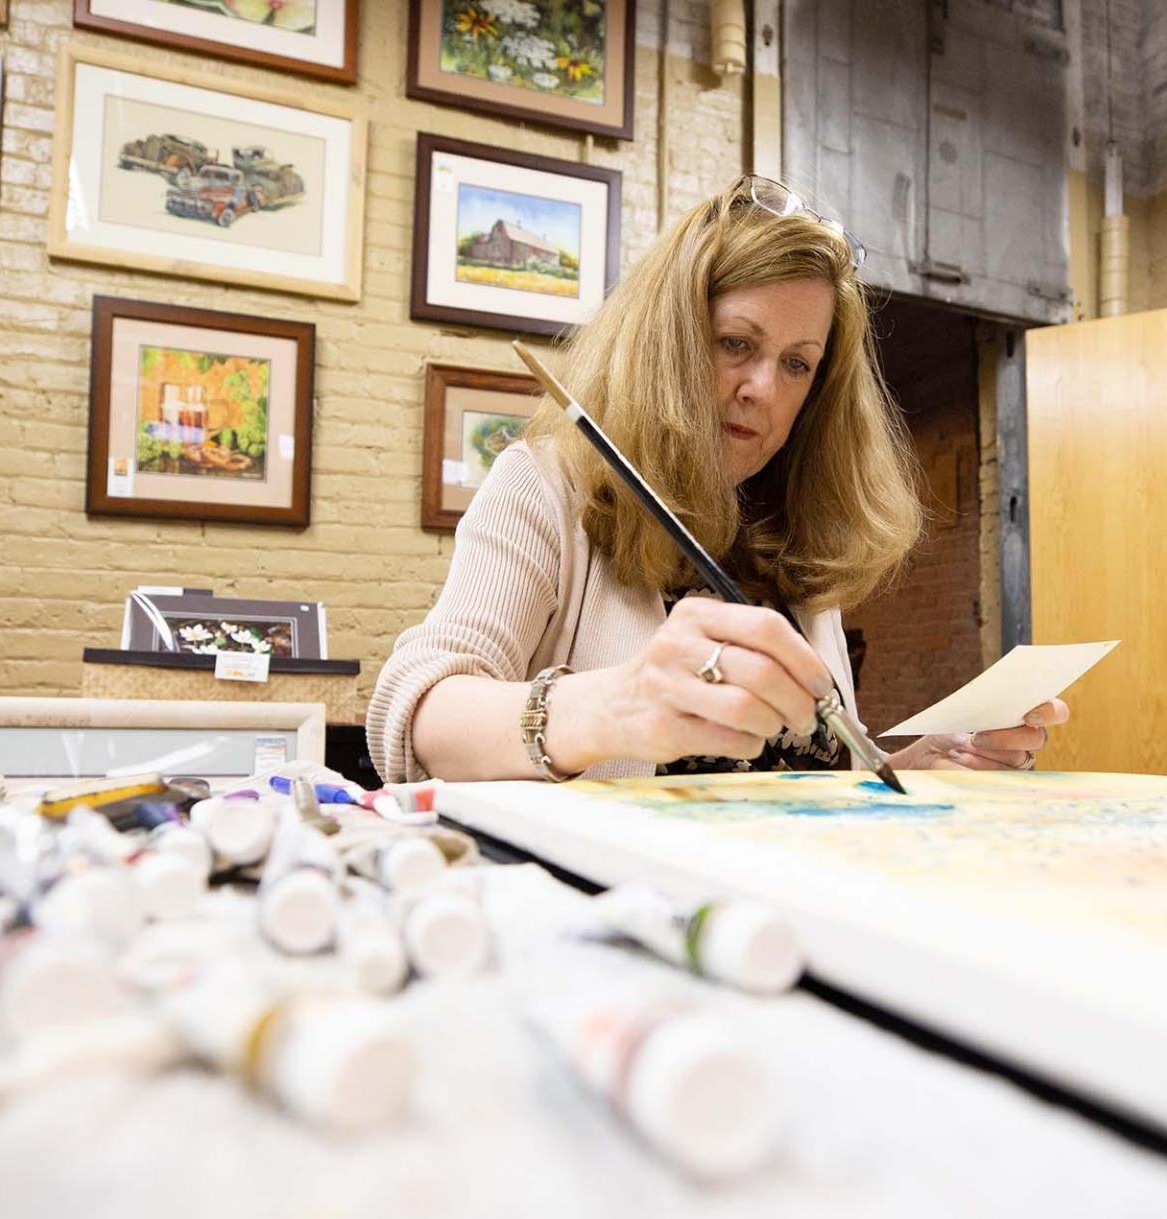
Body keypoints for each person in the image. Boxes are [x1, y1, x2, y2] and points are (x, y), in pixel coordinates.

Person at [368, 175, 1067, 784]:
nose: (763, 387)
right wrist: (616, 706)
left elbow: (793, 784)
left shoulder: (795, 530)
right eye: (737, 343)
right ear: (670, 343)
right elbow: (415, 714)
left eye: (798, 363)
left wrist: (920, 764)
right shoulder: (547, 487)